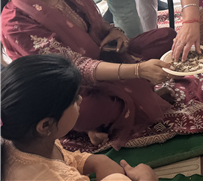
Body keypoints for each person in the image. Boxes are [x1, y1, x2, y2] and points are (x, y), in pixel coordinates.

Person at [0, 0, 176, 148]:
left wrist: (115, 32)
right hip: (70, 87)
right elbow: (75, 68)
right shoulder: (15, 22)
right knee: (88, 111)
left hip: (105, 55)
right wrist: (138, 71)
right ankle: (96, 121)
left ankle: (133, 98)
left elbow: (98, 23)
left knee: (167, 38)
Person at [0, 55, 158, 181]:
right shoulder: (50, 176)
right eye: (74, 100)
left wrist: (98, 161)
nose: (81, 100)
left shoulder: (26, 141)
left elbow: (66, 159)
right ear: (46, 125)